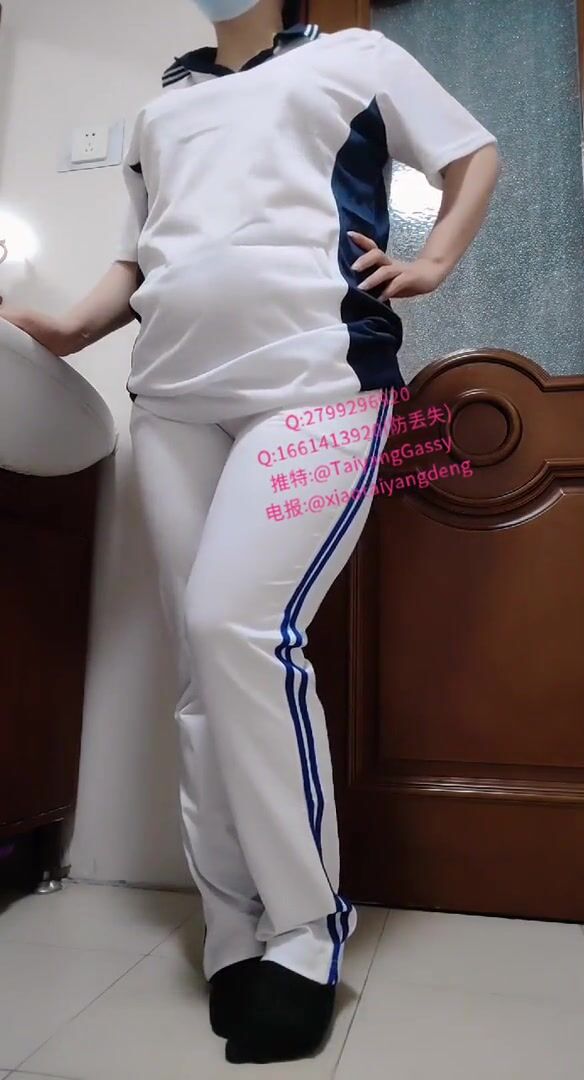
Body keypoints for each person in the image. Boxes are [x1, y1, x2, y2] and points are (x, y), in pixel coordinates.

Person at [0, 0, 501, 1064]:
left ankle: (307, 931)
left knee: (241, 628)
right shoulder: (160, 113)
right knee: (201, 664)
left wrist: (435, 261)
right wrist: (68, 326)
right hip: (173, 402)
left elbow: (474, 155)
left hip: (319, 386)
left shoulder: (356, 57)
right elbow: (141, 261)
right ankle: (233, 927)